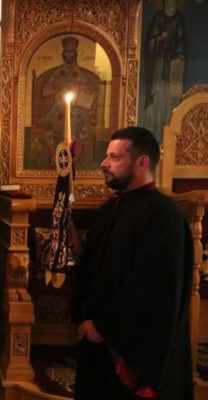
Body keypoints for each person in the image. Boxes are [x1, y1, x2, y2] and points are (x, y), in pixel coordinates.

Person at [70, 127, 193, 399]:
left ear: (141, 162)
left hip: (132, 354)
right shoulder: (110, 209)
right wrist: (70, 234)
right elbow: (96, 267)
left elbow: (153, 289)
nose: (104, 163)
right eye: (106, 156)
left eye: (114, 157)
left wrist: (104, 327)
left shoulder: (164, 216)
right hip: (99, 346)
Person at [33, 36, 101, 169]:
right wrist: (60, 88)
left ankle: (75, 157)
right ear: (63, 53)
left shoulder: (79, 73)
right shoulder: (58, 73)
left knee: (78, 125)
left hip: (76, 109)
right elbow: (45, 92)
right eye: (67, 52)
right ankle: (54, 156)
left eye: (72, 52)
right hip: (58, 109)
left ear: (76, 53)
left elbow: (88, 93)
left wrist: (82, 90)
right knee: (49, 125)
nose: (69, 54)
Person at [143, 0, 186, 140]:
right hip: (159, 65)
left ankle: (169, 137)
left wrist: (180, 56)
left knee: (171, 100)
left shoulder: (178, 18)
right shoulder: (158, 18)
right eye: (168, 3)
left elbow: (181, 41)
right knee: (158, 98)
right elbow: (149, 44)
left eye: (173, 3)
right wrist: (161, 38)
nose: (170, 6)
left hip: (173, 67)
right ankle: (155, 135)